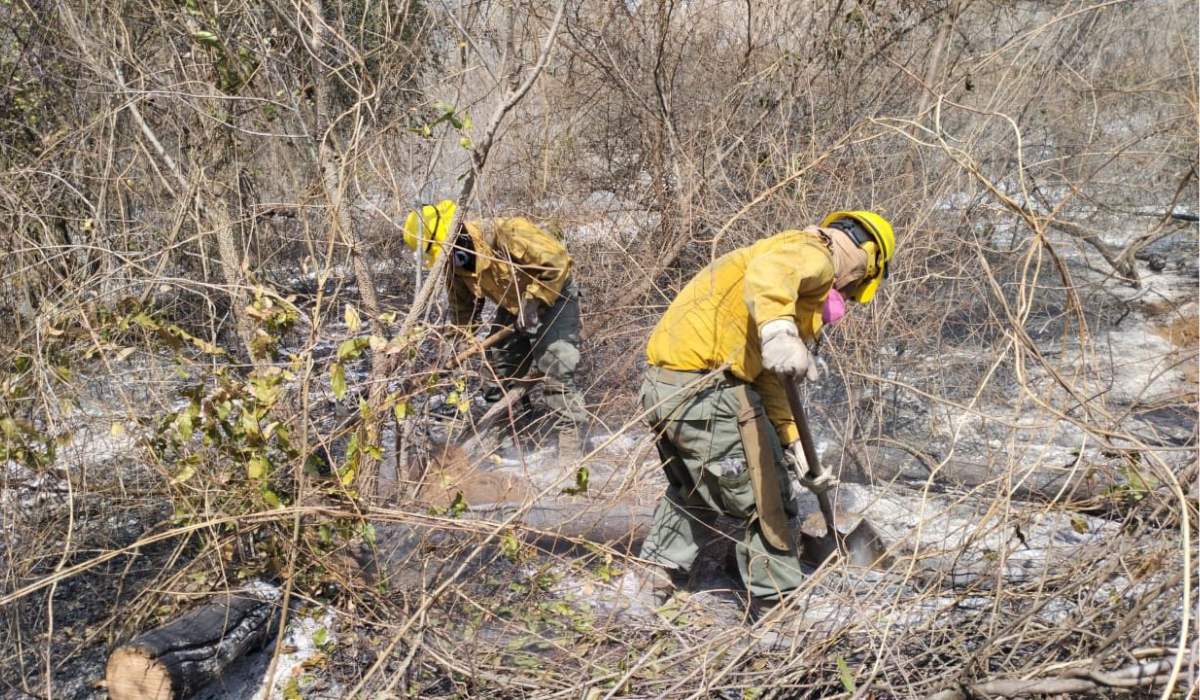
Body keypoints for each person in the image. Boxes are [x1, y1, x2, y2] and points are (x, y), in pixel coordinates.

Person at [621, 210, 895, 613]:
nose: (848, 295)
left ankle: (652, 578)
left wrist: (794, 443)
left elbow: (769, 381)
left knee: (696, 488)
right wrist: (779, 331)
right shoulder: (813, 255)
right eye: (853, 289)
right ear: (865, 261)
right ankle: (777, 609)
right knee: (767, 499)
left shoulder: (780, 266)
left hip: (667, 388)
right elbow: (772, 273)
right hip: (707, 390)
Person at [404, 200, 589, 460]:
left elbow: (557, 262)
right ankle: (512, 447)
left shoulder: (507, 233)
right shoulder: (455, 264)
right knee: (498, 373)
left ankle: (572, 455)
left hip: (554, 295)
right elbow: (463, 309)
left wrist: (533, 301)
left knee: (555, 367)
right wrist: (453, 346)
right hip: (513, 305)